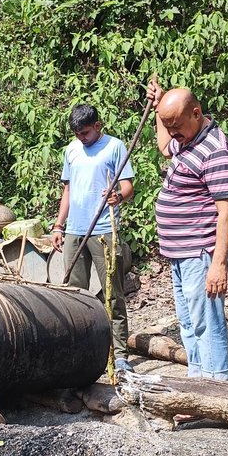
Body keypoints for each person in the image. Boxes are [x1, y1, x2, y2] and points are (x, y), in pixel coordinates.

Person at [146, 77, 228, 380]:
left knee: (207, 322)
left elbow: (226, 212)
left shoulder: (215, 151)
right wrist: (159, 106)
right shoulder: (187, 139)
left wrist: (219, 265)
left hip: (201, 252)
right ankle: (197, 385)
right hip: (180, 252)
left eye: (176, 126)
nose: (173, 134)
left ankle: (219, 389)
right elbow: (164, 146)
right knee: (188, 322)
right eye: (168, 126)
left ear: (196, 113)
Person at [51, 104, 135, 373]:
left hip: (103, 230)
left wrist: (118, 197)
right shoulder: (71, 150)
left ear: (98, 126)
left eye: (85, 133)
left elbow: (128, 186)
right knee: (75, 295)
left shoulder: (115, 147)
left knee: (113, 293)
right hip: (75, 230)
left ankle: (119, 354)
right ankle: (81, 350)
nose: (81, 138)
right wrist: (58, 225)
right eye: (77, 134)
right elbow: (68, 189)